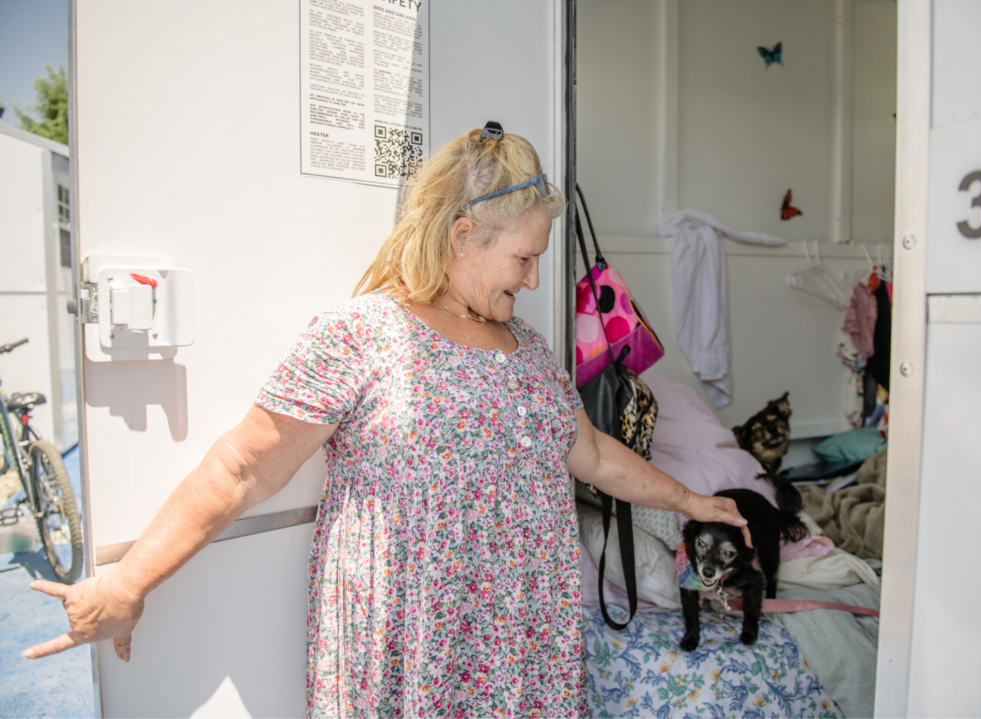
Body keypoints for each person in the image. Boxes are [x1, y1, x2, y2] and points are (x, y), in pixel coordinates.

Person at [25, 126, 749, 718]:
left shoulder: (528, 349)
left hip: (525, 644)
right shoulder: (361, 334)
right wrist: (128, 584)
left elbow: (590, 453)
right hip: (415, 648)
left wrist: (690, 501)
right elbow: (241, 468)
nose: (534, 281)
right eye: (524, 259)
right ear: (463, 236)